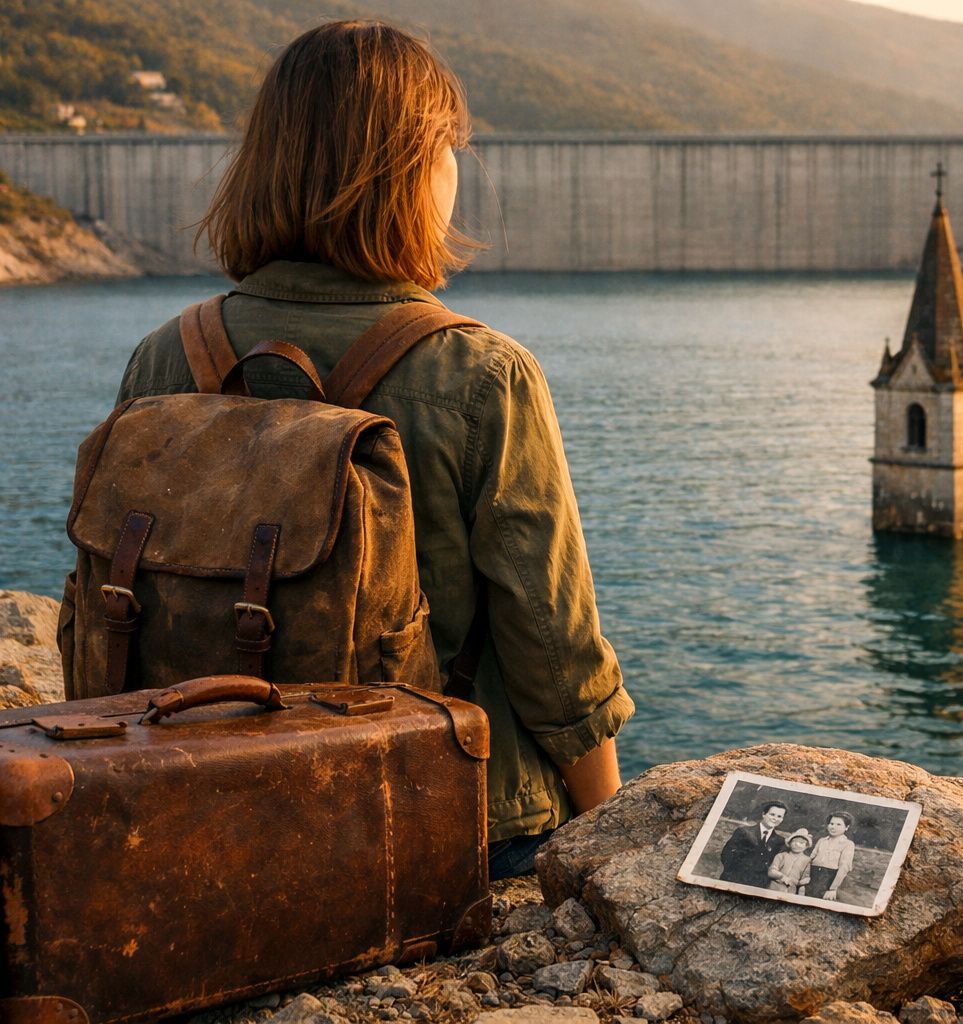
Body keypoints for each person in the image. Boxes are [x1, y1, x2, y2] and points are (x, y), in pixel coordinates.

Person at [113, 21, 633, 880]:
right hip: (442, 822)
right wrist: (612, 835)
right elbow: (553, 649)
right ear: (414, 167)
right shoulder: (482, 374)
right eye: (450, 145)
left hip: (206, 816)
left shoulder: (165, 358)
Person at [718, 802, 787, 885]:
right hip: (734, 879)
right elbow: (726, 854)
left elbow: (774, 865)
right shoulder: (743, 832)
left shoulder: (780, 841)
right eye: (772, 814)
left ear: (782, 819)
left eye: (779, 816)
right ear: (764, 814)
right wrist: (733, 874)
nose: (775, 818)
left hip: (758, 885)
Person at [806, 812, 857, 901]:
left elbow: (844, 867)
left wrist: (832, 889)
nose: (833, 827)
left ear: (846, 827)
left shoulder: (848, 844)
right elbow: (810, 858)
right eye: (831, 823)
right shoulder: (822, 841)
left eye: (838, 824)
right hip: (812, 875)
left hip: (828, 878)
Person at [767, 829, 814, 894]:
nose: (797, 845)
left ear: (806, 846)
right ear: (789, 843)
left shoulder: (807, 860)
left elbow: (805, 877)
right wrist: (782, 877)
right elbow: (771, 871)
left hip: (791, 891)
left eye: (801, 843)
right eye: (794, 841)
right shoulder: (781, 856)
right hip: (775, 887)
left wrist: (802, 885)